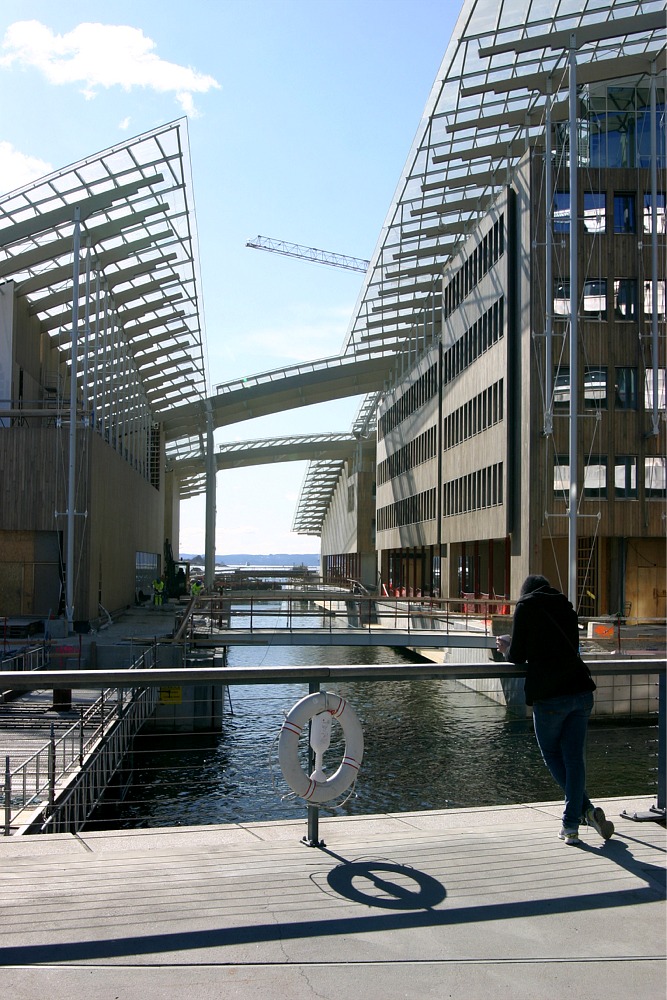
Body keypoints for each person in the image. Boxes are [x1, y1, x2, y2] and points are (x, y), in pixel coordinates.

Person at [496, 574, 614, 846]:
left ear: (525, 592)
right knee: (574, 760)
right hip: (581, 691)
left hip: (550, 697)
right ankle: (576, 821)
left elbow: (517, 656)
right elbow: (571, 647)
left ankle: (579, 816)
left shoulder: (525, 607)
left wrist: (506, 647)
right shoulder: (566, 606)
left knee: (551, 753)